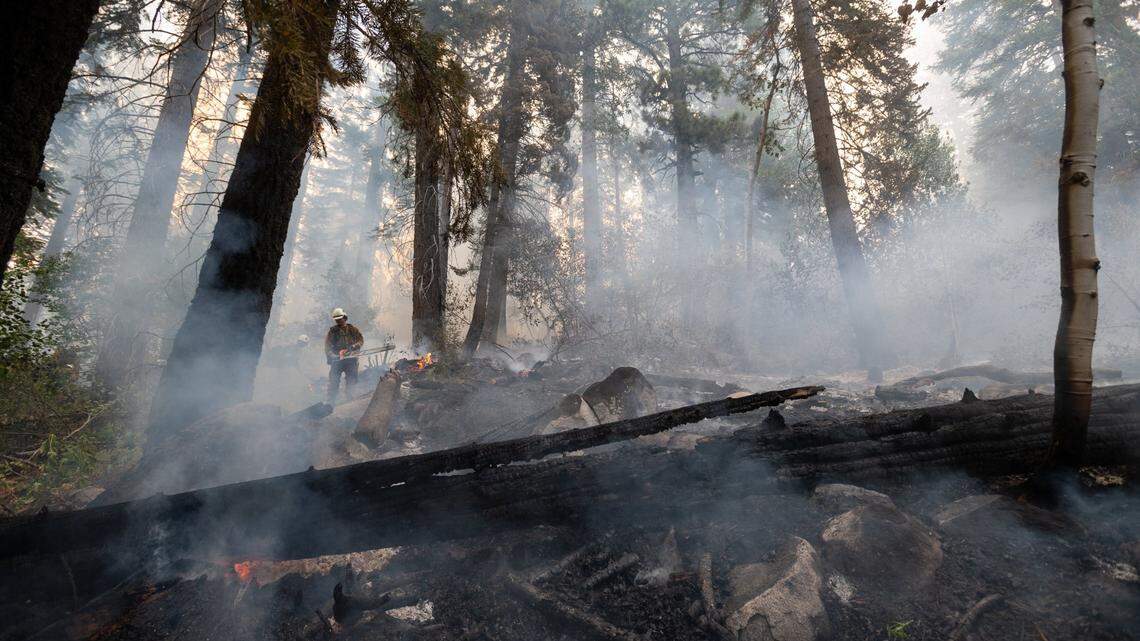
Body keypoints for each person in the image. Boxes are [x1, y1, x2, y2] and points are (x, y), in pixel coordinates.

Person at [324, 307, 364, 402]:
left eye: (340, 319)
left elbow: (360, 340)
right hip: (338, 360)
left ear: (345, 318)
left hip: (351, 359)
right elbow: (327, 346)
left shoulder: (352, 329)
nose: (338, 321)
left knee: (351, 380)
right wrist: (332, 355)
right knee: (334, 381)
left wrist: (355, 346)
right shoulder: (332, 332)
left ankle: (350, 400)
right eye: (337, 320)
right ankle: (331, 401)